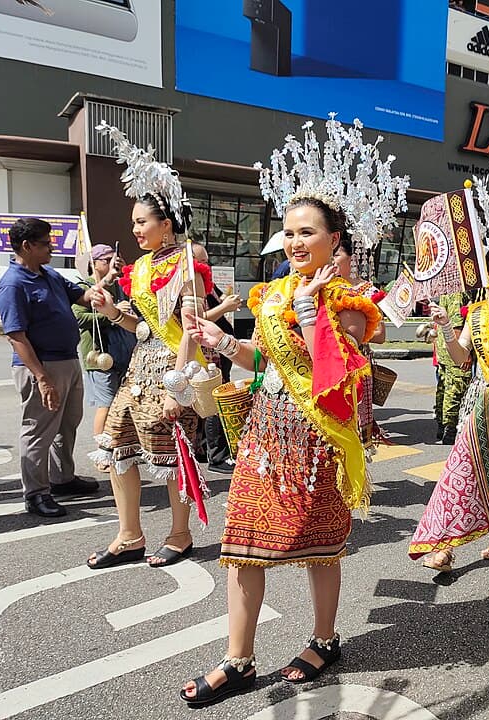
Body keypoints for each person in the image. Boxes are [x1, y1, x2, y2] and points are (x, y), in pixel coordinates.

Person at [178, 115, 404, 706]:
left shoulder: (350, 304)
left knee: (320, 545)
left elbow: (338, 376)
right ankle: (239, 658)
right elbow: (263, 362)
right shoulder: (272, 291)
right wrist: (224, 343)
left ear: (336, 240)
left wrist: (310, 315)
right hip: (266, 431)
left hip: (318, 436)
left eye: (308, 232)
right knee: (240, 542)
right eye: (289, 232)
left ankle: (325, 638)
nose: (296, 242)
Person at [86, 194, 210, 569]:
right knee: (118, 447)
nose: (136, 229)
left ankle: (180, 534)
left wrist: (177, 386)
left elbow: (191, 329)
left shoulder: (187, 263)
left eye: (143, 222)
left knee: (175, 455)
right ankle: (129, 535)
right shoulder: (140, 267)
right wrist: (110, 312)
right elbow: (144, 327)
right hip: (139, 369)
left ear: (166, 224)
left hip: (175, 369)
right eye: (134, 222)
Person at [409, 244, 489, 572]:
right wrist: (447, 327)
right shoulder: (478, 313)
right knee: (462, 470)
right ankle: (446, 546)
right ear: (488, 274)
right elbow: (462, 357)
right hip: (479, 401)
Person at [0, 218, 100, 518]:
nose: (51, 247)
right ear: (26, 246)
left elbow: (82, 296)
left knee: (67, 424)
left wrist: (101, 286)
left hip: (68, 359)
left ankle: (62, 478)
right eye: (45, 243)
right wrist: (41, 377)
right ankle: (36, 493)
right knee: (38, 430)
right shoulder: (12, 285)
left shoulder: (49, 274)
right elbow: (16, 336)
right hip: (41, 366)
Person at [72, 244, 137, 472]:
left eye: (114, 258)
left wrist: (125, 311)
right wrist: (111, 314)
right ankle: (102, 454)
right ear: (95, 263)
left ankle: (120, 447)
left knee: (122, 404)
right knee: (106, 405)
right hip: (100, 355)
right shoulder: (83, 288)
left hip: (124, 352)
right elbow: (79, 318)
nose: (111, 262)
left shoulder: (121, 286)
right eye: (106, 259)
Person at [190, 241, 242, 474]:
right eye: (201, 262)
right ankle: (217, 455)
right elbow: (196, 318)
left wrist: (228, 304)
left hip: (221, 347)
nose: (205, 266)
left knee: (213, 400)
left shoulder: (206, 282)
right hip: (208, 350)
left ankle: (204, 448)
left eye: (207, 261)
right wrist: (225, 308)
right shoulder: (190, 284)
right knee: (214, 402)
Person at [332, 235, 387, 445]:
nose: (331, 260)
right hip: (324, 362)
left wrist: (344, 332)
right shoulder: (319, 287)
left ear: (352, 259)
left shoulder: (366, 292)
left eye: (336, 255)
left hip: (356, 365)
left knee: (354, 426)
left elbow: (380, 335)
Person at [432, 291, 471, 444]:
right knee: (455, 387)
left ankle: (441, 424)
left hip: (444, 347)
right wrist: (465, 354)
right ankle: (450, 427)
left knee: (443, 386)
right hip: (453, 348)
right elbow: (457, 324)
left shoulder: (447, 291)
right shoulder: (457, 294)